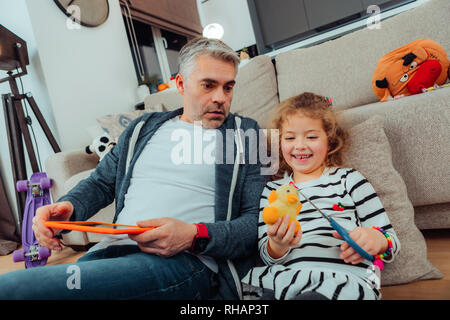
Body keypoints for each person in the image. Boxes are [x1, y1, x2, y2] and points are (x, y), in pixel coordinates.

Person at [0, 37, 266, 300]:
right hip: (108, 252)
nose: (220, 98)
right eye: (208, 85)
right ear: (181, 85)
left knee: (15, 289)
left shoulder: (247, 134)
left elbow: (254, 224)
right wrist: (68, 207)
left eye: (228, 87)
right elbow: (101, 182)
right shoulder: (142, 127)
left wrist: (193, 236)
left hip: (182, 263)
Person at [241, 92, 401, 300]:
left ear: (330, 140)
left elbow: (391, 241)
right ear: (280, 142)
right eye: (290, 137)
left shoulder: (349, 180)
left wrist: (376, 239)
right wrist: (278, 245)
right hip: (282, 280)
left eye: (311, 136)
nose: (300, 145)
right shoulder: (272, 191)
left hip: (341, 280)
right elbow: (266, 255)